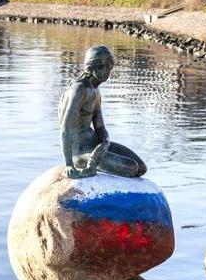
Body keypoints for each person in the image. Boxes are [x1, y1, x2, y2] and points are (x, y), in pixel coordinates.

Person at [58, 45, 147, 179]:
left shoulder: (95, 91)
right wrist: (69, 165)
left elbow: (100, 127)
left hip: (95, 146)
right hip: (80, 152)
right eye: (101, 66)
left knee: (141, 167)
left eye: (108, 66)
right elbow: (65, 129)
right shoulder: (79, 90)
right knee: (132, 167)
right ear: (91, 66)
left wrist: (105, 142)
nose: (106, 71)